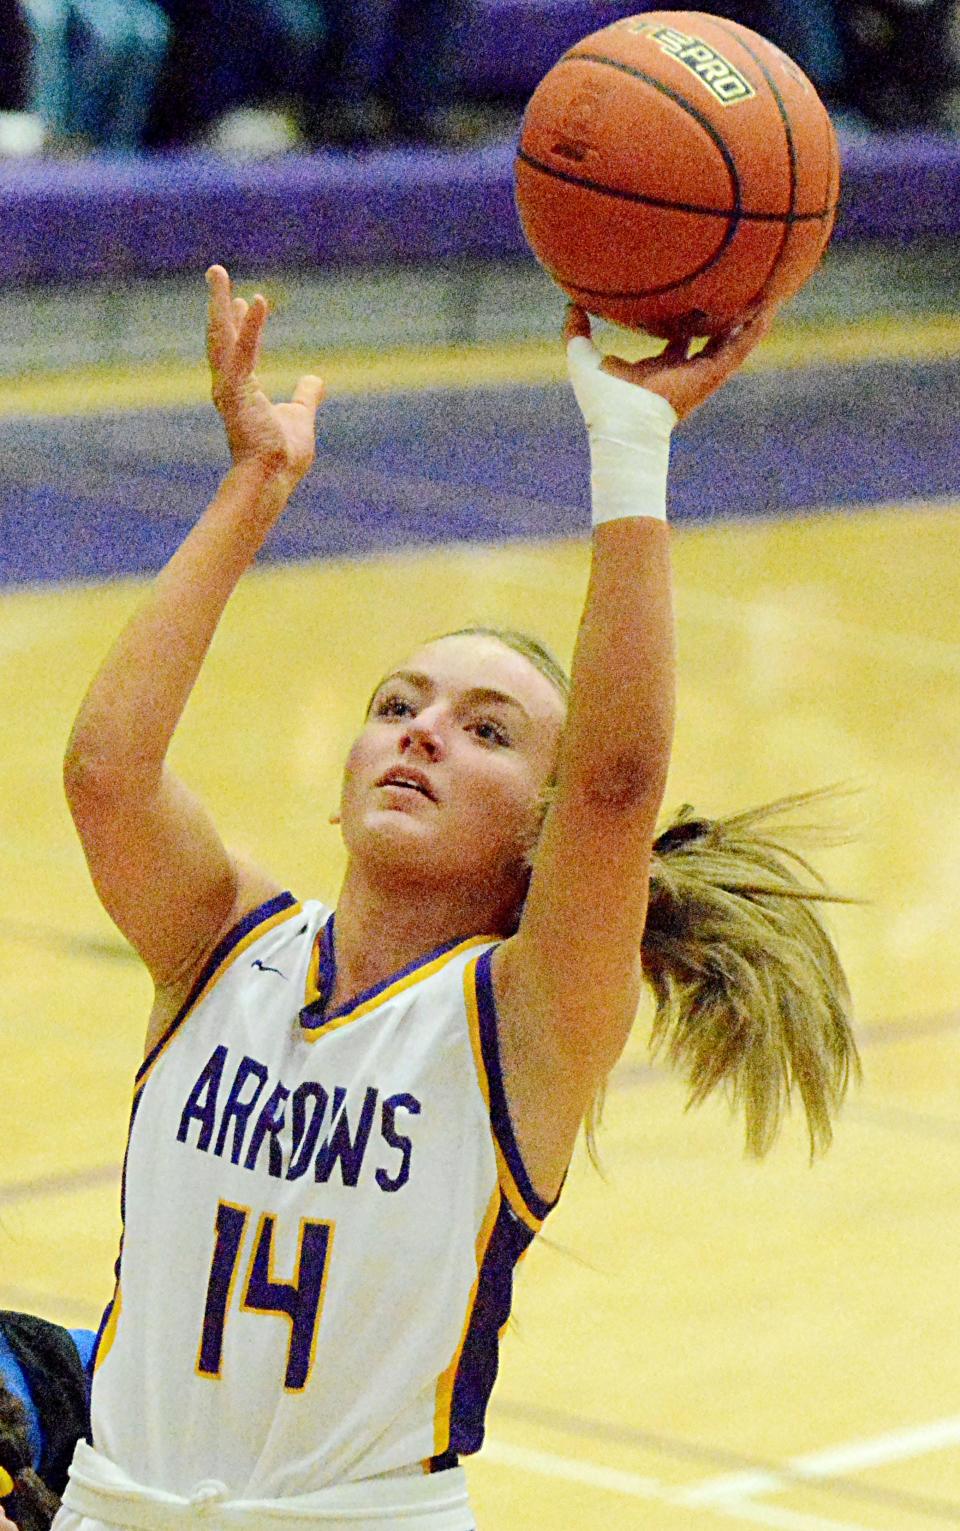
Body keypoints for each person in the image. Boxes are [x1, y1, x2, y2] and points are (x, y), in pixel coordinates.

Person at [52, 267, 858, 1530]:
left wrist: (632, 447)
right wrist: (251, 487)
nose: (423, 733)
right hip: (117, 1504)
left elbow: (617, 782)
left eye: (487, 730)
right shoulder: (223, 944)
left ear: (543, 836)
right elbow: (107, 775)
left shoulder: (523, 1018)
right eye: (397, 705)